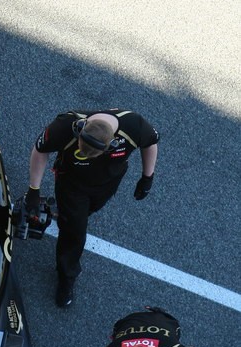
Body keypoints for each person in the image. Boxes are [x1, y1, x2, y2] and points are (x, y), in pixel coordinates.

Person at [25, 109, 159, 307]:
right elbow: (40, 150)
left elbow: (150, 143)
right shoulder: (64, 126)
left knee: (85, 214)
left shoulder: (134, 126)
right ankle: (67, 276)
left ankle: (71, 217)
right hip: (72, 186)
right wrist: (33, 190)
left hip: (107, 185)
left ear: (112, 143)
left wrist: (148, 177)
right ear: (80, 130)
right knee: (75, 233)